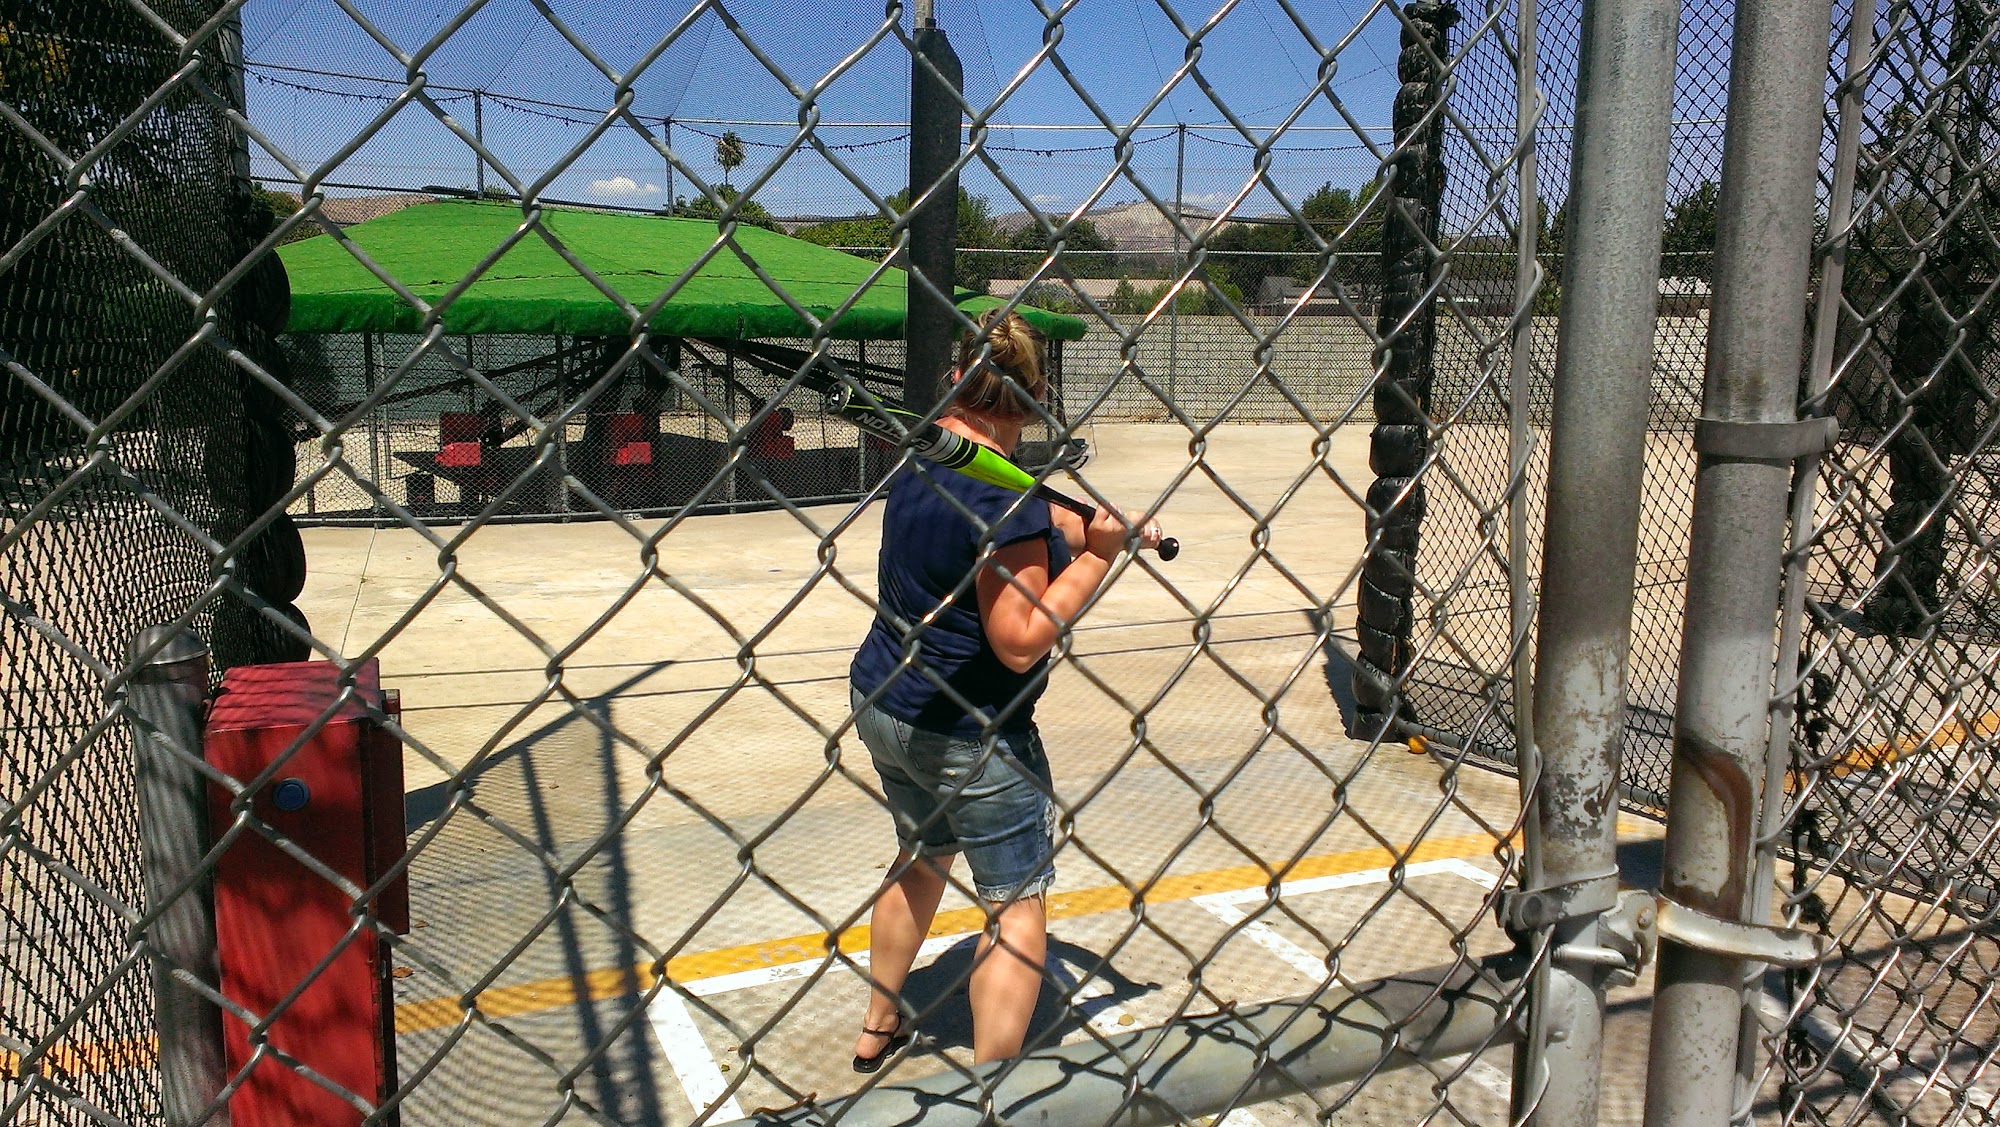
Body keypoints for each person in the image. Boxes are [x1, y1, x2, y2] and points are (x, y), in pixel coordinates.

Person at [846, 310, 1162, 1072]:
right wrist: (1101, 558)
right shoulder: (1005, 504)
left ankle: (877, 1025)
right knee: (1016, 901)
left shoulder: (928, 454)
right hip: (974, 735)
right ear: (1037, 398)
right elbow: (1018, 639)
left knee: (923, 855)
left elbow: (1035, 517)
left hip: (887, 703)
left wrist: (1096, 527)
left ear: (957, 380)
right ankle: (993, 1089)